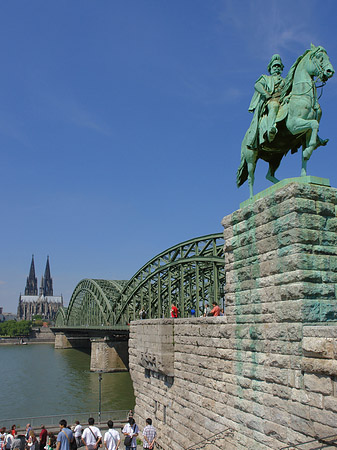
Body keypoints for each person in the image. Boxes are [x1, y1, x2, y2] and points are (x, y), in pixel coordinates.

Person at [246, 54, 285, 148]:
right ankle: (270, 130)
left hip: (284, 101)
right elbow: (257, 85)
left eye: (278, 66)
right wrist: (267, 95)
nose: (276, 68)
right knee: (274, 105)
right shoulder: (266, 78)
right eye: (274, 66)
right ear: (270, 68)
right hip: (271, 100)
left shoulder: (286, 80)